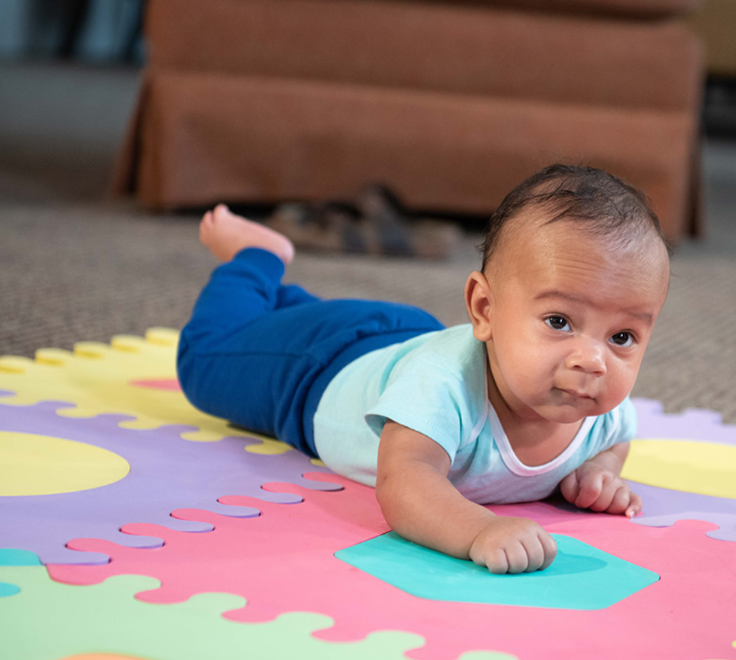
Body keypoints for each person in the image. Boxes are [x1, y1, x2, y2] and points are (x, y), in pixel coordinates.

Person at [177, 164, 672, 575]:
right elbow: (405, 479)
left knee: (281, 323)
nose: (593, 359)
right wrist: (478, 530)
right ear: (484, 311)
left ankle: (281, 307)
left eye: (622, 337)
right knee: (206, 361)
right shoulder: (442, 386)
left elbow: (615, 438)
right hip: (319, 366)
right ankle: (256, 259)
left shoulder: (596, 405)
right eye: (560, 321)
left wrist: (598, 471)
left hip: (401, 341)